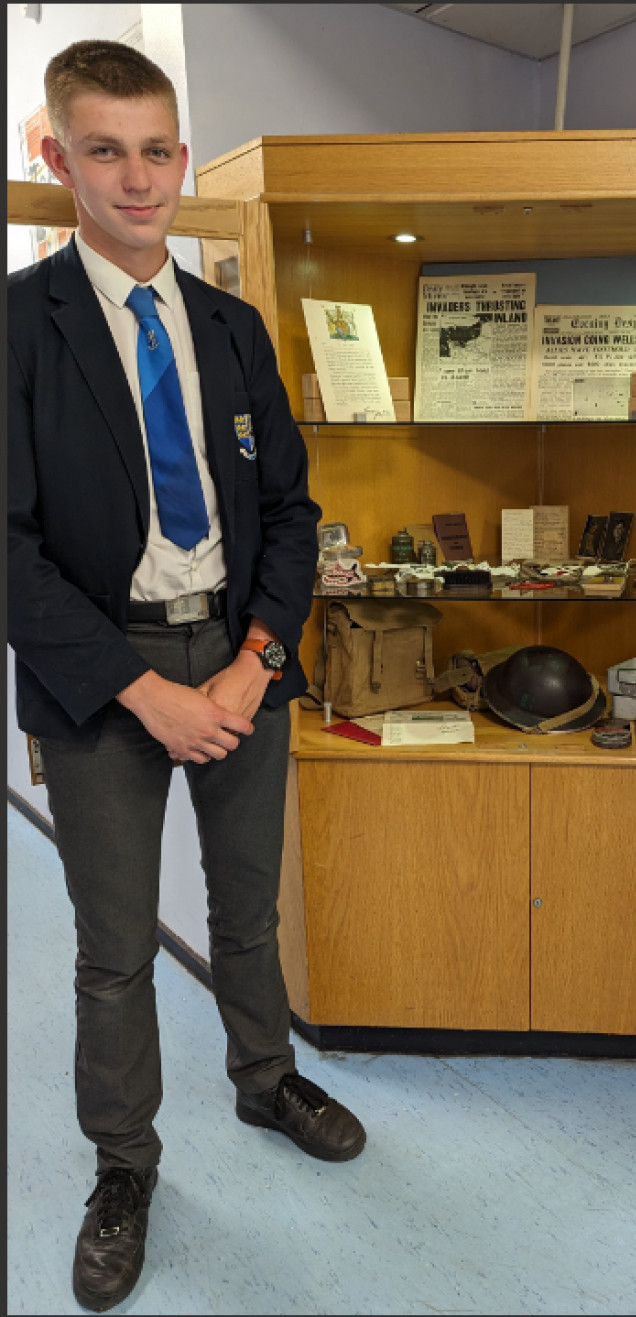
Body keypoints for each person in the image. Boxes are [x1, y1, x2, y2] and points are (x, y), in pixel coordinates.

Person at [8, 41, 366, 1313]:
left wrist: (257, 662)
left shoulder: (228, 325)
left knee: (248, 910)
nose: (139, 175)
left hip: (239, 658)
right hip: (104, 680)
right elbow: (11, 548)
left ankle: (265, 1081)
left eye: (158, 147)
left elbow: (288, 508)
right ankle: (125, 1166)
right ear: (54, 158)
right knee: (114, 949)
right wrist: (141, 691)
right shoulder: (19, 327)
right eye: (104, 148)